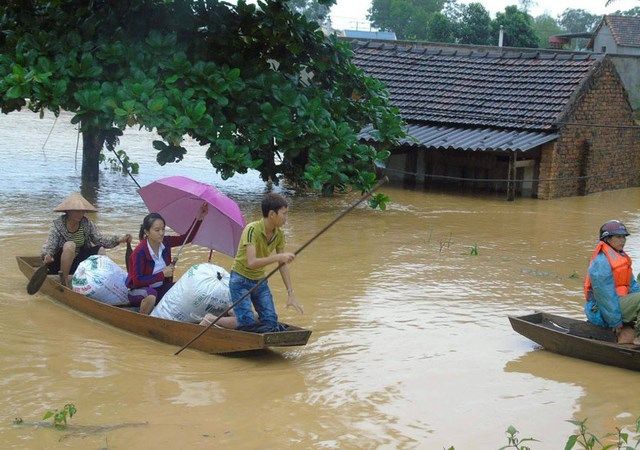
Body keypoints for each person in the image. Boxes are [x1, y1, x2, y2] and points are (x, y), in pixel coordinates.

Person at [207, 193, 302, 331]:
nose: (286, 218)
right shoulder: (252, 229)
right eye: (284, 214)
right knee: (247, 325)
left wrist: (290, 293)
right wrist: (278, 258)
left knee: (271, 323)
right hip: (240, 281)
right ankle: (212, 319)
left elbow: (282, 265)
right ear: (272, 214)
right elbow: (252, 262)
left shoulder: (279, 235)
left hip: (259, 281)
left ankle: (239, 312)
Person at [126, 203, 208, 315]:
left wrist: (199, 219)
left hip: (160, 287)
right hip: (140, 291)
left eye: (163, 229)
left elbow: (186, 238)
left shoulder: (166, 242)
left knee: (184, 289)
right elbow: (137, 281)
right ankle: (142, 320)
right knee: (151, 296)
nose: (161, 233)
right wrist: (162, 275)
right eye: (157, 230)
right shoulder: (139, 252)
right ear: (146, 232)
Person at [41, 192, 131, 287]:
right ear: (68, 211)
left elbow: (99, 240)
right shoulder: (58, 225)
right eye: (77, 211)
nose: (80, 214)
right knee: (70, 245)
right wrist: (48, 255)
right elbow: (50, 244)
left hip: (77, 263)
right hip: (59, 264)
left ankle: (100, 280)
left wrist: (119, 239)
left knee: (100, 249)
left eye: (82, 211)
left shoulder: (86, 223)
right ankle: (64, 281)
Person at [584, 220, 640, 345]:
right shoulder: (601, 262)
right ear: (607, 239)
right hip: (601, 311)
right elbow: (605, 297)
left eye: (624, 237)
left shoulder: (621, 257)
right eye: (618, 237)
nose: (623, 240)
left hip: (619, 304)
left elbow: (633, 286)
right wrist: (615, 323)